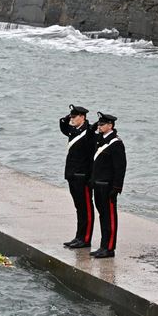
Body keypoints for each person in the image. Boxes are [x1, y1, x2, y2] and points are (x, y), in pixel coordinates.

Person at [90, 112, 126, 259]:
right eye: (99, 124)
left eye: (102, 124)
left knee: (109, 218)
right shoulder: (100, 140)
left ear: (110, 126)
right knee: (102, 216)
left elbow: (120, 167)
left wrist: (116, 188)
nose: (99, 126)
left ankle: (109, 248)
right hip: (98, 185)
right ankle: (103, 246)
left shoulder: (116, 143)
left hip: (108, 186)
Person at [59, 104, 96, 249]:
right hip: (72, 175)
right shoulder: (73, 130)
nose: (72, 119)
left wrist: (90, 176)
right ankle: (79, 236)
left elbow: (92, 156)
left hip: (83, 177)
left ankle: (86, 239)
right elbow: (63, 125)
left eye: (75, 117)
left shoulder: (89, 132)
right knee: (79, 207)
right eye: (71, 116)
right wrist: (69, 117)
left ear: (83, 117)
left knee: (86, 208)